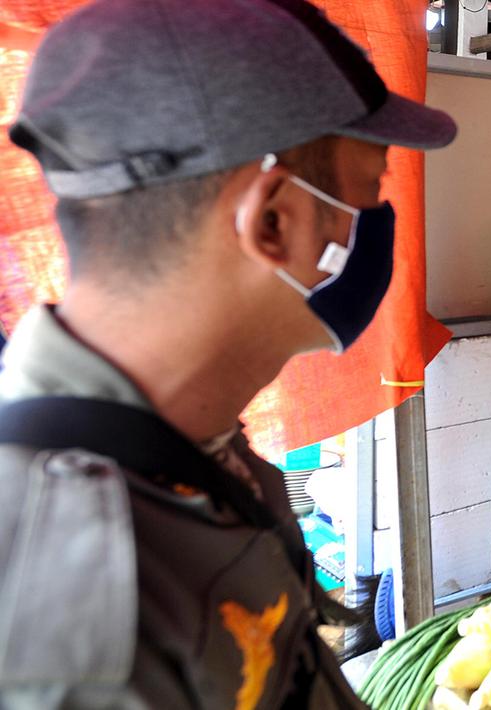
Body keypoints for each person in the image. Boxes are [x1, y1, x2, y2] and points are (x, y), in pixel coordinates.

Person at [0, 0, 455, 707]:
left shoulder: (185, 445)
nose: (379, 226)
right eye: (369, 192)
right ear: (274, 220)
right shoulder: (68, 593)